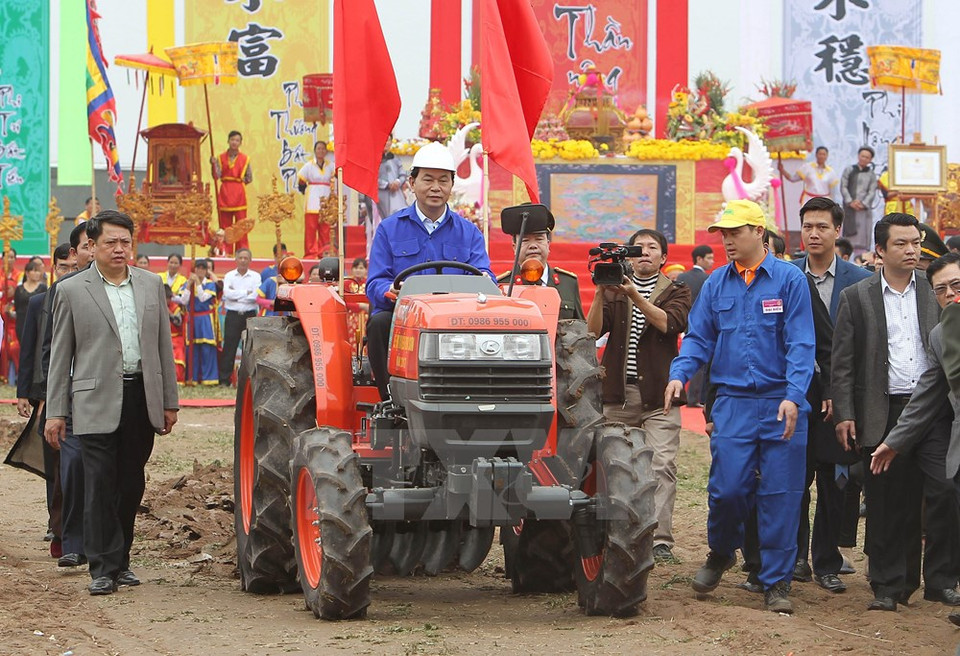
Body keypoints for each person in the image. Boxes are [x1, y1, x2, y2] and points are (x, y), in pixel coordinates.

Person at [664, 199, 815, 614]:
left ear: (758, 232)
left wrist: (794, 395)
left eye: (735, 232)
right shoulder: (715, 284)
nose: (727, 240)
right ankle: (721, 551)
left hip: (781, 402)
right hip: (733, 402)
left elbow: (802, 344)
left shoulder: (789, 281)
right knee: (728, 488)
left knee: (781, 494)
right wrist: (681, 371)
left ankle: (777, 581)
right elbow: (698, 337)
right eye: (723, 234)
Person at [45, 211, 179, 596]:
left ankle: (122, 561)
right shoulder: (71, 290)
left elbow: (162, 348)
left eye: (125, 242)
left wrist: (169, 400)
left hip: (141, 397)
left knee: (130, 481)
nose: (119, 249)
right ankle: (102, 567)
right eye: (111, 242)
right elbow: (60, 357)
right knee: (99, 482)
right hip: (94, 398)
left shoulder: (151, 285)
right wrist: (56, 411)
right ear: (93, 245)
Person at [832, 213, 949, 611]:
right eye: (901, 243)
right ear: (880, 251)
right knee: (885, 501)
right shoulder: (857, 296)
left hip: (933, 411)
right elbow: (843, 362)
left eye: (915, 242)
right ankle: (887, 585)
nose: (912, 250)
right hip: (880, 411)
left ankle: (940, 580)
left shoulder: (933, 291)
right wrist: (845, 412)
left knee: (944, 489)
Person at [587, 228, 691, 564]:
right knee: (610, 465)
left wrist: (634, 296)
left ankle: (659, 540)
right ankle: (611, 533)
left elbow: (668, 324)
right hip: (618, 394)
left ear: (664, 257)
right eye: (638, 248)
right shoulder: (615, 289)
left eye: (652, 248)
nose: (644, 253)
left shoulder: (677, 290)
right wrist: (603, 294)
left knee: (662, 466)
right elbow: (591, 332)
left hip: (659, 395)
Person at [870, 252, 960, 622]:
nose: (951, 295)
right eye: (941, 291)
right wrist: (896, 439)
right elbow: (930, 389)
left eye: (957, 285)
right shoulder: (941, 335)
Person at [366, 141, 494, 401]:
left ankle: (474, 399)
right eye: (428, 179)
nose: (436, 188)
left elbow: (485, 276)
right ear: (411, 183)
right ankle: (390, 399)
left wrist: (484, 281)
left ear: (451, 186)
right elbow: (374, 283)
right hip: (403, 320)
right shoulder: (389, 229)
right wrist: (390, 289)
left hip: (457, 321)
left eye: (443, 181)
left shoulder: (469, 233)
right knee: (378, 323)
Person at [789, 197, 871, 590]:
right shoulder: (787, 277)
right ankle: (796, 560)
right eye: (808, 226)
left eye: (822, 226)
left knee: (836, 482)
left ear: (838, 231)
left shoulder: (859, 281)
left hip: (843, 401)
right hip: (797, 397)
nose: (814, 234)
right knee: (795, 481)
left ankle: (826, 561)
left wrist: (842, 395)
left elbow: (866, 345)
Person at [5, 243, 77, 562]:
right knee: (51, 457)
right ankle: (55, 520)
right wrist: (24, 392)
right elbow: (29, 348)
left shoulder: (83, 297)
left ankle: (65, 523)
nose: (68, 273)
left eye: (74, 268)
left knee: (67, 458)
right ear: (54, 267)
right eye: (64, 267)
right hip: (45, 389)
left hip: (78, 390)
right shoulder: (39, 302)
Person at [495, 212, 585, 320]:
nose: (533, 246)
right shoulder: (502, 285)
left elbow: (579, 328)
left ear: (548, 244)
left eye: (539, 239)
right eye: (525, 240)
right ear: (514, 247)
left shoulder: (568, 282)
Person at [677, 244, 714, 407]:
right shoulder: (708, 279)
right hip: (701, 325)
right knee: (701, 363)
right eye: (709, 258)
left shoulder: (681, 277)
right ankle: (694, 398)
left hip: (683, 324)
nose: (712, 262)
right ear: (699, 259)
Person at [218, 248, 260, 386]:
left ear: (250, 260)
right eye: (240, 258)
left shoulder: (255, 276)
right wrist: (245, 293)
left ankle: (248, 381)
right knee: (229, 347)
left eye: (245, 258)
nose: (243, 260)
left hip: (249, 315)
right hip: (233, 316)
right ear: (236, 259)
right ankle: (224, 380)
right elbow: (227, 295)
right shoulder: (229, 275)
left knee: (249, 347)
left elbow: (255, 296)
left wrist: (237, 295)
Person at [211, 130, 253, 254]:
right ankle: (226, 252)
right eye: (232, 139)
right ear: (228, 141)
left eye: (237, 140)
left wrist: (238, 184)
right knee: (225, 226)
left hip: (239, 194)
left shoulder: (245, 159)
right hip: (225, 193)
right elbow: (216, 176)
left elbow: (249, 177)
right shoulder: (220, 158)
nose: (234, 142)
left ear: (240, 143)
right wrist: (213, 165)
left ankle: (242, 252)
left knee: (241, 226)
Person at [184, 260, 220, 385]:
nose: (200, 271)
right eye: (197, 268)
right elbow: (184, 301)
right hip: (192, 319)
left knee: (207, 349)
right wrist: (189, 285)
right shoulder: (188, 283)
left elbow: (203, 298)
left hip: (205, 319)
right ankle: (192, 378)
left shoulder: (210, 284)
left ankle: (209, 378)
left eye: (202, 268)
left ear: (206, 270)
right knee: (192, 350)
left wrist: (198, 283)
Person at [298, 141, 335, 258]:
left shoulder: (331, 165)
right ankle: (310, 253)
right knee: (311, 229)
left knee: (325, 229)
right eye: (319, 149)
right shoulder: (309, 165)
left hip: (327, 197)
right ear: (315, 150)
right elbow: (301, 181)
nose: (321, 151)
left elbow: (337, 176)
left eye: (323, 149)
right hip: (313, 199)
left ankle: (324, 252)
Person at [840, 146, 879, 251]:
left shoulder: (871, 174)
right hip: (850, 208)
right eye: (862, 156)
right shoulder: (849, 170)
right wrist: (850, 201)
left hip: (864, 209)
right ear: (858, 156)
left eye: (867, 157)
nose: (864, 159)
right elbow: (843, 186)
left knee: (863, 237)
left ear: (870, 160)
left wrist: (863, 203)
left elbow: (872, 190)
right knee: (848, 237)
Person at [14, 258, 47, 346]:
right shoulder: (19, 289)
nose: (37, 273)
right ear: (27, 273)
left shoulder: (43, 288)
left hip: (37, 322)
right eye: (34, 271)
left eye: (38, 271)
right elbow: (17, 307)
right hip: (22, 322)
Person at [165, 285, 186, 383]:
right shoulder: (155, 307)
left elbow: (178, 322)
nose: (166, 301)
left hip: (176, 337)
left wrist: (169, 313)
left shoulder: (175, 308)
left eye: (168, 298)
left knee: (177, 352)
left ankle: (177, 378)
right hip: (162, 338)